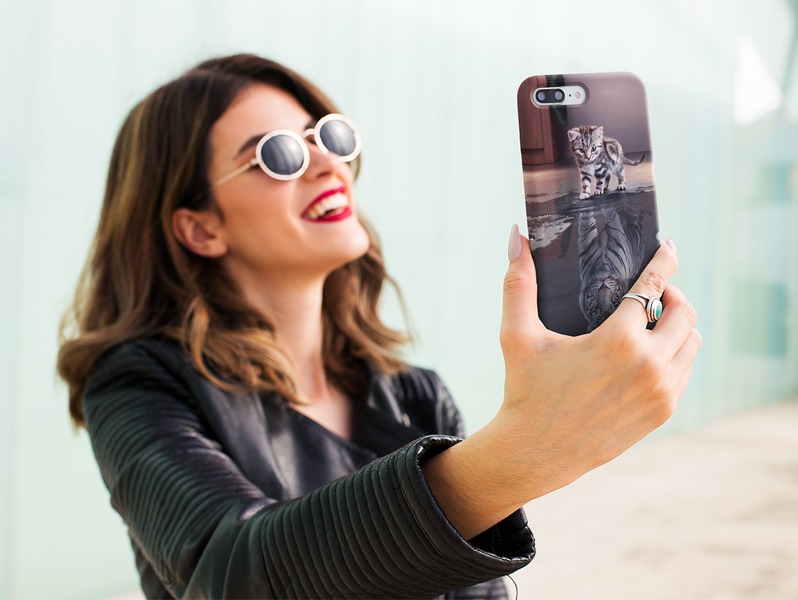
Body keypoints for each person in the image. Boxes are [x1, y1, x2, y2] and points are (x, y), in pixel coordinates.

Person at [57, 53, 701, 599]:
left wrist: (523, 452)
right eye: (278, 155)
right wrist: (521, 452)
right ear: (200, 228)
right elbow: (232, 571)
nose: (326, 165)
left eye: (328, 137)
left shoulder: (414, 397)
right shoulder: (137, 385)